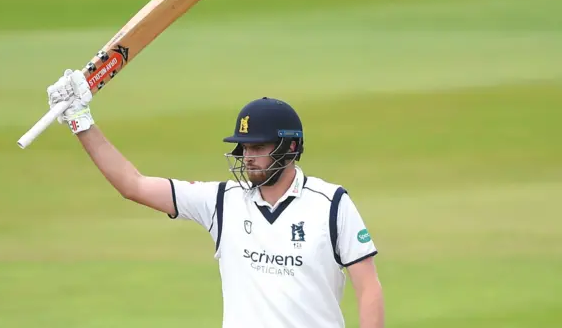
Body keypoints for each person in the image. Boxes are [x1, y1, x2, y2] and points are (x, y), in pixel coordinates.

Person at [46, 69, 385, 328]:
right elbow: (132, 185)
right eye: (244, 148)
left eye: (258, 147)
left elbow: (368, 288)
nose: (248, 156)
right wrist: (80, 120)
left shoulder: (331, 204)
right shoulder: (223, 201)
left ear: (290, 147)